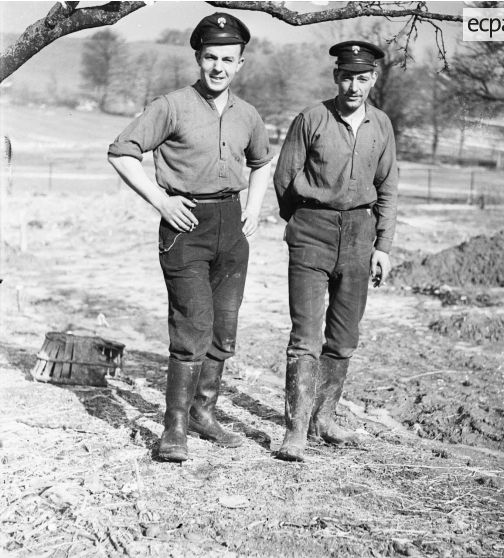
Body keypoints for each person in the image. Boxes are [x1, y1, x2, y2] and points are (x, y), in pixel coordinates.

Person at [107, 13, 272, 462]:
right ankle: (173, 427)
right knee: (192, 328)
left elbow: (261, 163)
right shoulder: (172, 105)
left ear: (241, 64)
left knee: (223, 331)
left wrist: (254, 207)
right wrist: (160, 201)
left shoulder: (249, 115)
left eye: (228, 59)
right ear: (199, 59)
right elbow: (121, 152)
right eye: (210, 58)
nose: (218, 67)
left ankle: (203, 413)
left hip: (231, 228)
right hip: (185, 226)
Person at [273, 41, 398, 462]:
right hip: (312, 230)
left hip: (361, 235)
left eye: (362, 78)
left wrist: (383, 246)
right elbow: (285, 177)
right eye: (347, 76)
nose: (353, 86)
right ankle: (296, 431)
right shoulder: (311, 119)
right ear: (335, 76)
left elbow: (388, 189)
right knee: (305, 337)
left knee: (344, 337)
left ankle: (323, 418)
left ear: (373, 80)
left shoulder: (381, 125)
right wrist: (304, 221)